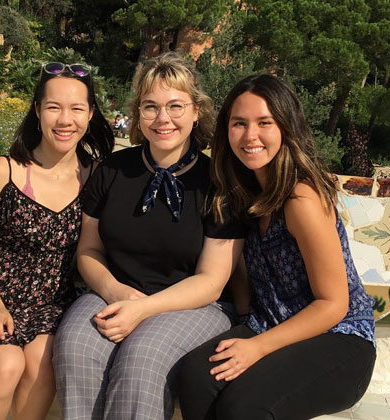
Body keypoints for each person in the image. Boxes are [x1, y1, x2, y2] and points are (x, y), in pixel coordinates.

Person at [52, 52, 246, 420]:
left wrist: (143, 310)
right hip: (114, 291)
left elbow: (211, 281)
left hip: (197, 306)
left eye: (175, 106)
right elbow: (89, 249)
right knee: (75, 344)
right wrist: (116, 293)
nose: (163, 119)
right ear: (138, 113)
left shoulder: (219, 182)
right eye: (151, 107)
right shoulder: (112, 170)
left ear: (195, 111)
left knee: (143, 355)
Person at [176, 74, 376, 420]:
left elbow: (333, 304)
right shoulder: (241, 190)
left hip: (339, 339)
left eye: (264, 123)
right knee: (195, 375)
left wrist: (256, 347)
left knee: (244, 407)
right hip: (266, 324)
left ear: (286, 126)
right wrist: (243, 327)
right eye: (239, 123)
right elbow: (240, 274)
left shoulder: (301, 198)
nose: (250, 136)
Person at [0, 62, 114, 420]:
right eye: (54, 107)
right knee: (5, 363)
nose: (65, 120)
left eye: (77, 108)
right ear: (37, 110)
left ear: (91, 114)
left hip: (50, 306)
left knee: (43, 360)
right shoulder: (6, 171)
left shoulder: (95, 175)